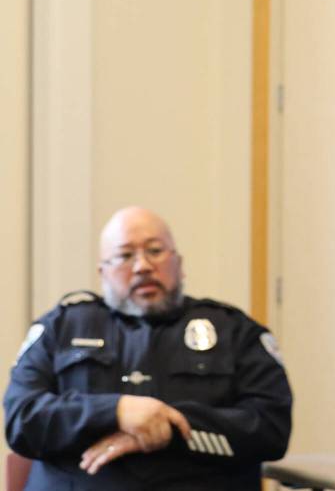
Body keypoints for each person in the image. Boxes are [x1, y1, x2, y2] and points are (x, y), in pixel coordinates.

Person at [4, 206, 293, 490]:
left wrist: (171, 428)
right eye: (125, 255)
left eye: (155, 251)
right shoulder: (61, 327)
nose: (142, 266)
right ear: (102, 272)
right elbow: (22, 419)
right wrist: (114, 411)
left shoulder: (233, 330)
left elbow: (271, 428)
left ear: (178, 263)